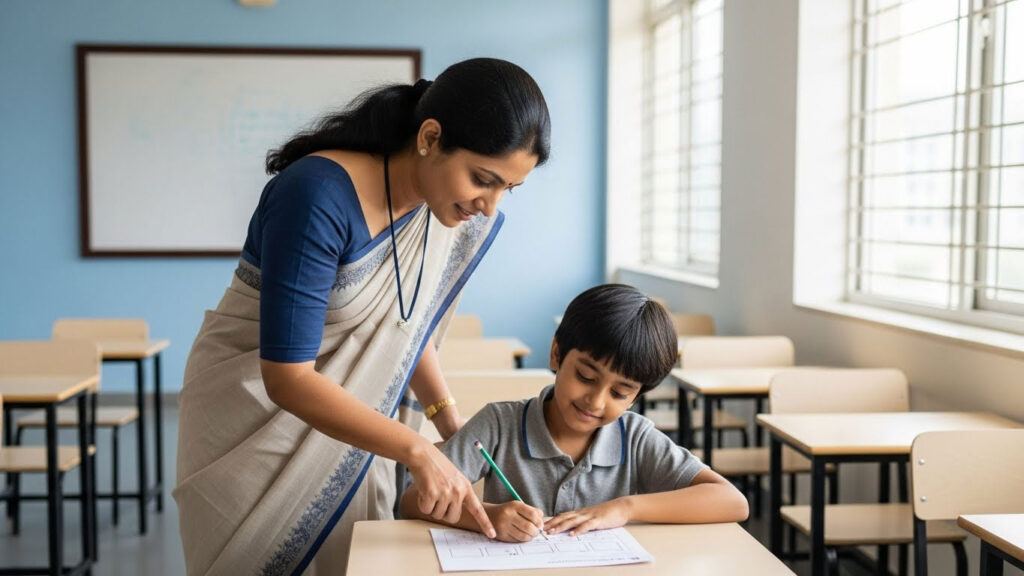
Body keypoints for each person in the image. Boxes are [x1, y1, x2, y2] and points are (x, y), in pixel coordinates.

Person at [174, 58, 550, 575]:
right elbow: (286, 378)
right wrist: (417, 449)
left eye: (508, 188)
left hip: (353, 433)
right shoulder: (317, 195)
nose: (489, 206)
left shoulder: (439, 211)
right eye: (483, 179)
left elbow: (403, 330)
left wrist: (449, 426)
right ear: (430, 137)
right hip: (254, 428)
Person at [400, 284, 748, 542]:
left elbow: (732, 502)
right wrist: (488, 517)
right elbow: (414, 501)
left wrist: (625, 508)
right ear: (556, 354)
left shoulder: (636, 437)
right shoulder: (498, 424)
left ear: (637, 396)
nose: (596, 401)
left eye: (620, 392)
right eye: (585, 376)